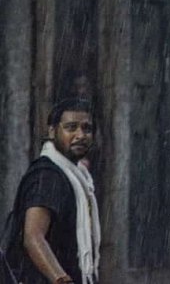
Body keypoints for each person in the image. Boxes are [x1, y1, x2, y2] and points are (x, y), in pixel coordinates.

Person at [3, 98, 100, 284]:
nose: (80, 135)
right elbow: (33, 237)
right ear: (52, 131)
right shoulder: (48, 176)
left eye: (87, 128)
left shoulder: (77, 176)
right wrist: (61, 279)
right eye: (71, 127)